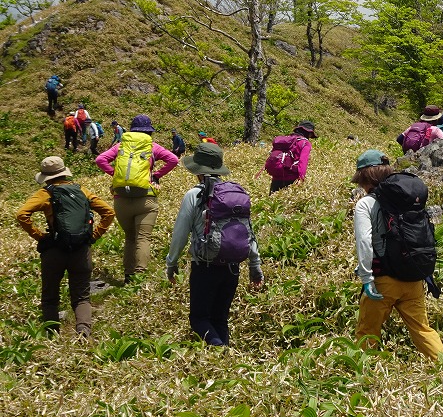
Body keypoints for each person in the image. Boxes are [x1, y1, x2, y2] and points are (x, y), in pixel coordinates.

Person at [166, 143, 263, 347]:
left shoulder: (194, 195)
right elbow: (249, 232)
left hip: (205, 267)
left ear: (198, 171)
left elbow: (180, 233)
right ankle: (225, 354)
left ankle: (220, 351)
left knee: (199, 319)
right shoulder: (234, 194)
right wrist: (255, 267)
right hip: (232, 267)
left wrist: (171, 263)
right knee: (220, 319)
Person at [351, 150, 443, 360]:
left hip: (383, 281)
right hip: (413, 278)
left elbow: (364, 242)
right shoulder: (406, 200)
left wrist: (366, 278)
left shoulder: (365, 204)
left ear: (363, 177)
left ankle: (365, 372)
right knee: (423, 329)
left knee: (367, 332)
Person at [15, 156, 115, 338]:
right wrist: (94, 235)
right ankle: (84, 332)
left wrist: (39, 236)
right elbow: (108, 212)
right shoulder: (82, 190)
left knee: (50, 297)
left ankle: (52, 336)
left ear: (46, 177)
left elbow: (22, 214)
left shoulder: (44, 194)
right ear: (64, 172)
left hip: (54, 250)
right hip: (81, 250)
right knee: (81, 296)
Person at [95, 114, 180, 282]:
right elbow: (173, 159)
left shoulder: (121, 145)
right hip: (145, 198)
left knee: (130, 238)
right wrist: (155, 175)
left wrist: (115, 174)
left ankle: (128, 275)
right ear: (149, 131)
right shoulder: (152, 146)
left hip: (121, 199)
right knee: (143, 238)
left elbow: (100, 159)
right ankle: (140, 277)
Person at [267, 121, 317, 193]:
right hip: (291, 178)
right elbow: (303, 162)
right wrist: (301, 178)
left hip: (276, 176)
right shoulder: (305, 143)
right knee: (287, 199)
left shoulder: (286, 140)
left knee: (272, 198)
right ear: (309, 133)